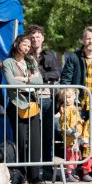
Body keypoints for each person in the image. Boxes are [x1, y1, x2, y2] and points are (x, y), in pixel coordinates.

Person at [2, 34, 44, 184]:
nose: (27, 47)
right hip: (17, 104)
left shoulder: (30, 61)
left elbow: (40, 80)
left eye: (28, 45)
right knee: (21, 140)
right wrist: (25, 82)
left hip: (32, 103)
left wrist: (25, 79)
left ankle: (34, 175)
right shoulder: (8, 63)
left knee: (34, 140)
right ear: (16, 44)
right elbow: (11, 82)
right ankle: (21, 175)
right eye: (24, 44)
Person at [28, 25, 61, 175]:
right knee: (31, 134)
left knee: (47, 134)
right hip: (29, 98)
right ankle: (32, 168)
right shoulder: (25, 55)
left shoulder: (50, 55)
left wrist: (39, 78)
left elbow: (56, 73)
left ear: (43, 38)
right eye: (32, 37)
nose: (35, 40)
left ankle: (47, 168)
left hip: (46, 98)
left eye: (38, 37)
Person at [60, 26, 92, 120]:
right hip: (78, 105)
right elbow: (65, 80)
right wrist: (65, 101)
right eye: (88, 38)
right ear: (83, 39)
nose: (90, 41)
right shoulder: (73, 57)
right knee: (77, 133)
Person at [58, 88, 81, 182]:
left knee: (75, 156)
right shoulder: (64, 110)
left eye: (69, 97)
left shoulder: (75, 108)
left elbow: (79, 121)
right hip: (69, 138)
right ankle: (69, 174)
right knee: (70, 156)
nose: (68, 100)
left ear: (74, 97)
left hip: (76, 137)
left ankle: (72, 172)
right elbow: (64, 125)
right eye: (65, 98)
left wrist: (79, 131)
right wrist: (72, 132)